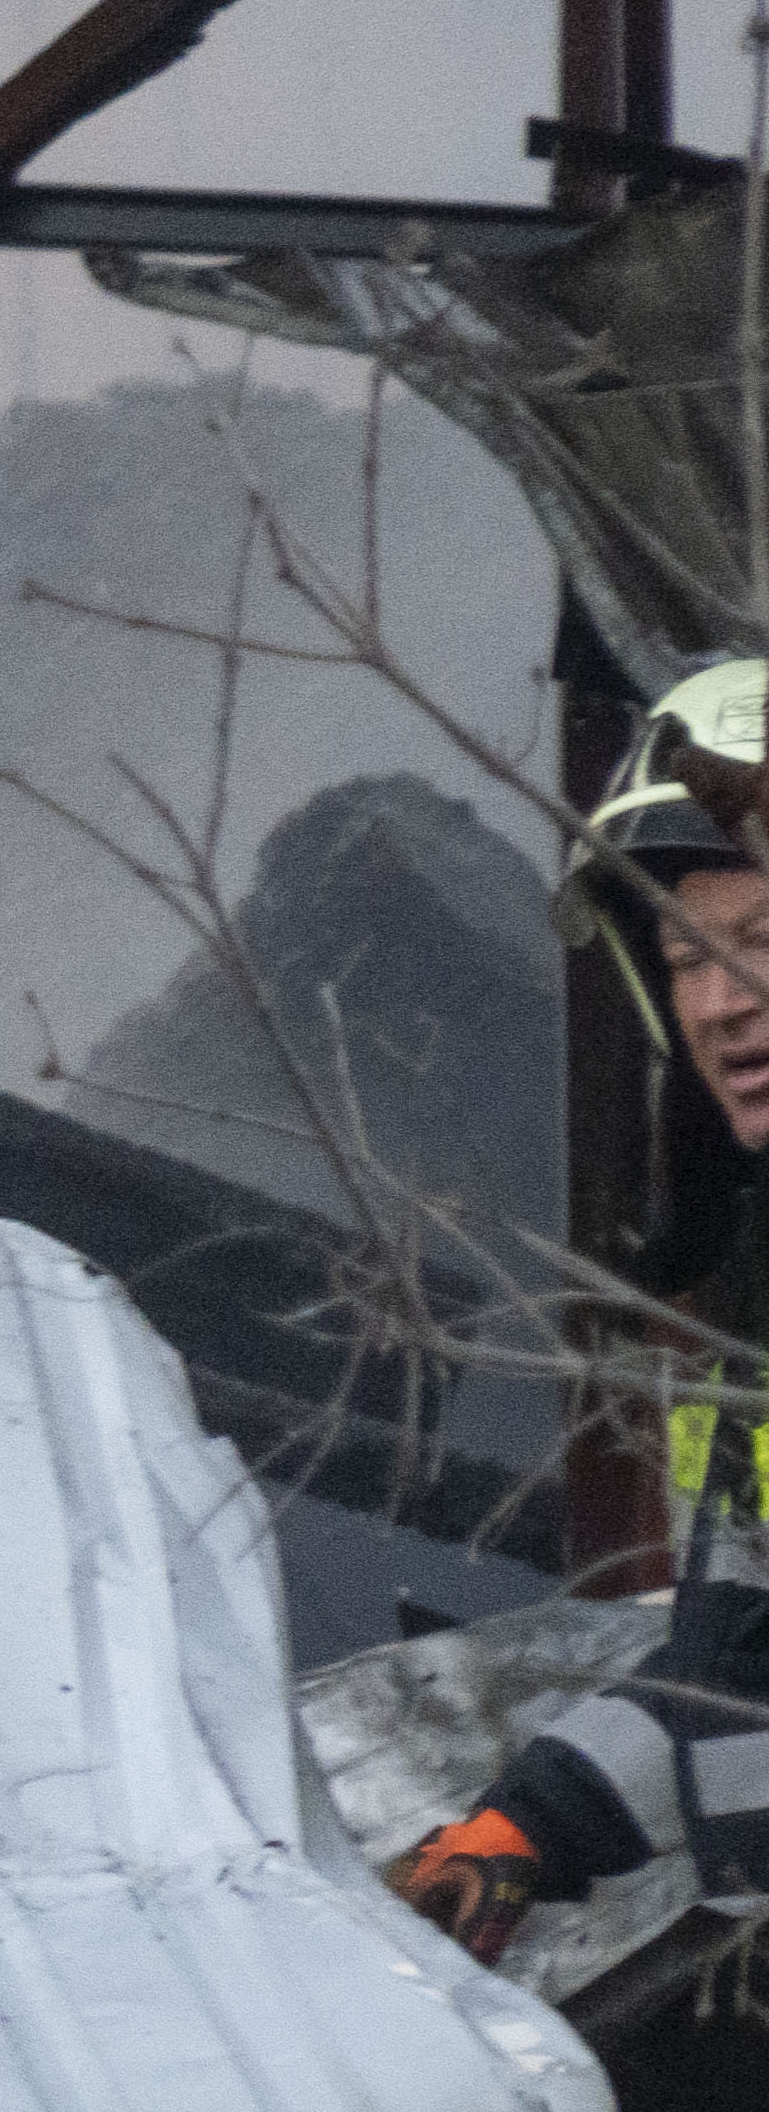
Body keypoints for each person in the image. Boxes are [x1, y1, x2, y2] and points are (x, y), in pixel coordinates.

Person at [403, 658, 769, 1955]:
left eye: (761, 941)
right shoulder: (745, 1295)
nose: (723, 1002)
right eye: (685, 958)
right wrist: (524, 1831)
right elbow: (735, 1677)